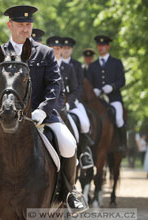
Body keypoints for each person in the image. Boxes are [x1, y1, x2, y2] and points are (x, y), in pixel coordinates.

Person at [0, 5, 86, 216]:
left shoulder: (45, 53)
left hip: (42, 116)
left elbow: (54, 85)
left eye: (28, 24)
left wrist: (43, 111)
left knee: (68, 144)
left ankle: (69, 193)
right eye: (20, 24)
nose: (25, 28)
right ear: (10, 25)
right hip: (3, 115)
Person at [46, 36, 93, 169]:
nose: (55, 51)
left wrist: (69, 104)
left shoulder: (69, 67)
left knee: (84, 123)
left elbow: (75, 88)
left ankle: (84, 153)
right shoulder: (45, 66)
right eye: (53, 48)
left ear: (62, 50)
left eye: (58, 48)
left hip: (67, 103)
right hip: (49, 105)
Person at [87, 35, 126, 153]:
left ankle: (122, 144)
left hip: (113, 98)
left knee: (119, 118)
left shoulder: (116, 62)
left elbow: (122, 81)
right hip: (98, 99)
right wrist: (94, 90)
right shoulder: (92, 66)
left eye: (103, 45)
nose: (101, 48)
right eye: (99, 45)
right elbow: (89, 82)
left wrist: (112, 87)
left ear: (108, 46)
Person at [61, 37, 94, 168]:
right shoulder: (53, 62)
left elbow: (79, 86)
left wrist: (72, 101)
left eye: (68, 48)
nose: (66, 50)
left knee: (85, 123)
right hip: (57, 102)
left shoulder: (76, 65)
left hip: (73, 101)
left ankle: (84, 152)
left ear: (71, 50)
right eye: (64, 48)